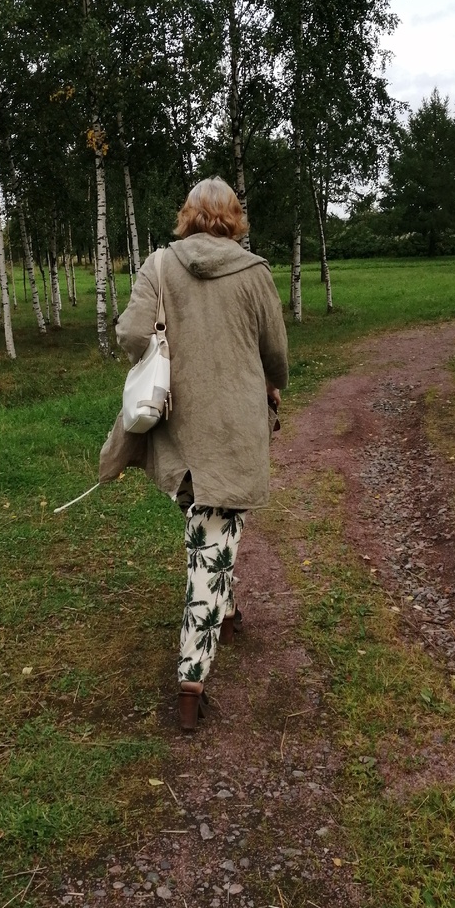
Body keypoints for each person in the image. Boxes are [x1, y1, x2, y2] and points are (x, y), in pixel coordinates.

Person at [101, 177, 289, 732]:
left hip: (180, 430)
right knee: (215, 531)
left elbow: (131, 335)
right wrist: (273, 385)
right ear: (234, 218)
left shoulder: (159, 264)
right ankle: (191, 679)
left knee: (208, 525)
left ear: (187, 215)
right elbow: (275, 353)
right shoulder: (254, 272)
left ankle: (225, 611)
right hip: (233, 430)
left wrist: (164, 345)